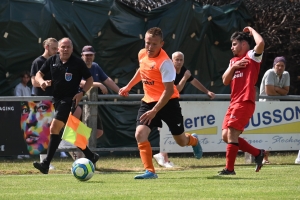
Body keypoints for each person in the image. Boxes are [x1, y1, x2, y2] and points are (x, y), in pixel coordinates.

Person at [119, 27, 202, 179]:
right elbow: (141, 70)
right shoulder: (142, 53)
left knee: (181, 141)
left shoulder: (165, 63)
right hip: (148, 101)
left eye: (154, 44)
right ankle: (150, 171)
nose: (149, 47)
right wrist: (128, 86)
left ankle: (194, 140)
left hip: (168, 102)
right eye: (147, 43)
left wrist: (155, 111)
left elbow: (169, 91)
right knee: (140, 133)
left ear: (161, 44)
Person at [32, 37, 98, 174]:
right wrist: (42, 81)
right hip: (57, 100)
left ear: (72, 49)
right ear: (58, 49)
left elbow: (90, 80)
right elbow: (39, 74)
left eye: (68, 47)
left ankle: (45, 164)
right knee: (64, 131)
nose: (65, 49)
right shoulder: (52, 60)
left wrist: (82, 93)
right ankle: (90, 155)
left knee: (54, 127)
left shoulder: (78, 63)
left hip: (69, 100)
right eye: (63, 47)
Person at [153, 51, 215, 168]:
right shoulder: (169, 70)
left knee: (175, 133)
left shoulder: (183, 70)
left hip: (175, 105)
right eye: (177, 60)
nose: (179, 62)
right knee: (162, 129)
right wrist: (185, 78)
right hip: (164, 102)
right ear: (172, 60)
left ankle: (165, 155)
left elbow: (194, 81)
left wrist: (207, 91)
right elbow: (175, 90)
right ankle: (163, 156)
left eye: (181, 60)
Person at [219, 26, 265, 175]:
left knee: (232, 133)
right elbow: (225, 80)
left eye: (234, 44)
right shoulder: (233, 61)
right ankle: (257, 153)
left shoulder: (252, 56)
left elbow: (261, 43)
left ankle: (229, 169)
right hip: (233, 102)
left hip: (245, 101)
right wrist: (234, 67)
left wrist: (251, 30)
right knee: (226, 136)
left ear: (244, 44)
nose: (232, 47)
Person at [69, 45, 120, 160]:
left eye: (90, 55)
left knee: (98, 131)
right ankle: (77, 150)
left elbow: (107, 80)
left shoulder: (96, 66)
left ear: (94, 56)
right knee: (79, 130)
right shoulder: (77, 65)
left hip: (91, 105)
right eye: (86, 55)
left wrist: (120, 91)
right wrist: (98, 84)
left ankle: (74, 145)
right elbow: (79, 82)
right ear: (82, 55)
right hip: (78, 102)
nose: (88, 57)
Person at [30, 37, 67, 169]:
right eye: (53, 49)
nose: (56, 51)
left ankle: (67, 153)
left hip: (56, 100)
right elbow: (34, 82)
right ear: (46, 47)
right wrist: (48, 82)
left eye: (57, 49)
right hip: (42, 100)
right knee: (44, 130)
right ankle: (44, 161)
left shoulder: (57, 61)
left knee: (56, 128)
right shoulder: (38, 62)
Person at [259, 56, 290, 164]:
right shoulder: (270, 73)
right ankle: (262, 157)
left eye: (282, 65)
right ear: (274, 65)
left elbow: (286, 92)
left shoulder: (286, 74)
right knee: (265, 131)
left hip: (276, 105)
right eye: (278, 65)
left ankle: (265, 158)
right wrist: (278, 90)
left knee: (273, 131)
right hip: (265, 105)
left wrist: (275, 88)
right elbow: (269, 92)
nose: (280, 68)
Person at [15, 71, 32, 159]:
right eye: (24, 77)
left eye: (27, 77)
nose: (26, 79)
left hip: (28, 114)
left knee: (27, 133)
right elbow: (18, 101)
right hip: (21, 113)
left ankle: (25, 151)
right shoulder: (18, 87)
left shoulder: (28, 89)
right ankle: (19, 153)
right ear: (21, 78)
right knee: (21, 133)